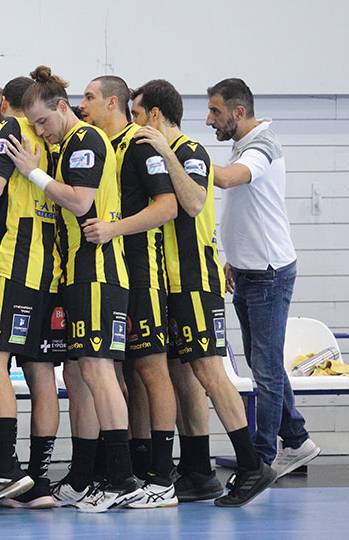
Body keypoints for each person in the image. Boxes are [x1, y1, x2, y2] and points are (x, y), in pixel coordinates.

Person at [130, 78, 276, 506]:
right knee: (183, 374)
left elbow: (194, 202)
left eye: (137, 115)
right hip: (171, 282)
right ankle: (197, 469)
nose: (134, 123)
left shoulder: (189, 151)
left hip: (195, 279)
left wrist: (165, 152)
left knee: (210, 371)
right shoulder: (158, 153)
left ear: (155, 115)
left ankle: (252, 464)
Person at [6, 66, 144, 512]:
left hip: (98, 273)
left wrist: (33, 172)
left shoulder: (85, 139)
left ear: (62, 108)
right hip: (77, 274)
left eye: (43, 121)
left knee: (99, 372)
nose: (40, 131)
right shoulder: (66, 145)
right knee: (80, 375)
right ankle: (84, 476)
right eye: (34, 125)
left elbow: (82, 202)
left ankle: (122, 478)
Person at [207, 78, 320, 477]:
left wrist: (181, 155)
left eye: (216, 111)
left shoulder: (261, 147)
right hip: (248, 272)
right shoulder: (244, 143)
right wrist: (234, 260)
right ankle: (297, 440)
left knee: (266, 368)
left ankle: (261, 460)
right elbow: (247, 209)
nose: (209, 120)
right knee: (263, 364)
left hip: (268, 276)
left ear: (238, 112)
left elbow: (226, 179)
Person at [0, 75, 65, 511]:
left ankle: (5, 469)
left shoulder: (12, 128)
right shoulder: (57, 136)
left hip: (13, 265)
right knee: (41, 372)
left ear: (6, 104)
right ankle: (38, 480)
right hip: (51, 271)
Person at [79, 75, 179, 508]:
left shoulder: (140, 144)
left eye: (89, 97)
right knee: (125, 375)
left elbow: (168, 207)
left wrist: (114, 229)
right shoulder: (103, 145)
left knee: (153, 369)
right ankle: (129, 470)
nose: (82, 105)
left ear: (112, 102)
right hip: (114, 271)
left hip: (143, 271)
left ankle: (164, 475)